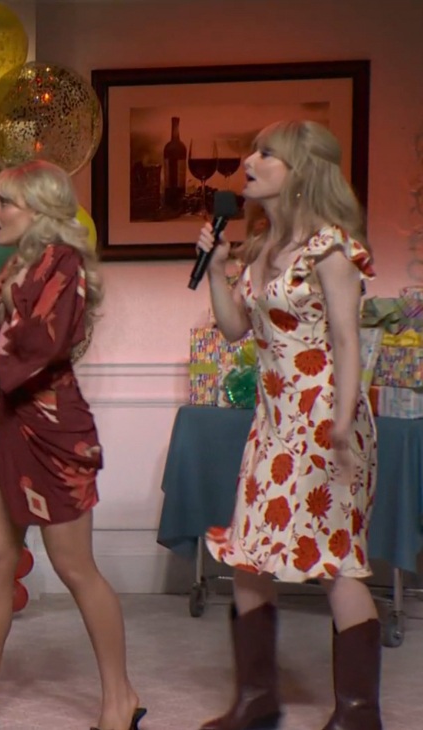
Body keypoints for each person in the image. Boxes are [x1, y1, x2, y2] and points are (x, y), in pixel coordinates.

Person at [0, 159, 144, 730]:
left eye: (5, 202)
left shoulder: (65, 264)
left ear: (40, 211)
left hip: (56, 430)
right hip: (10, 425)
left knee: (75, 568)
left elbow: (44, 345)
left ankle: (120, 697)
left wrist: (10, 316)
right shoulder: (13, 268)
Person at [195, 120, 380, 730]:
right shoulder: (260, 248)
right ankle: (257, 699)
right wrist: (217, 270)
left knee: (334, 558)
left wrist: (343, 422)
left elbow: (348, 341)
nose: (248, 160)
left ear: (300, 171)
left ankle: (358, 713)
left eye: (266, 153)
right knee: (249, 553)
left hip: (326, 419)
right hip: (273, 422)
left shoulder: (331, 249)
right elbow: (233, 330)